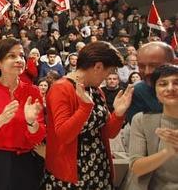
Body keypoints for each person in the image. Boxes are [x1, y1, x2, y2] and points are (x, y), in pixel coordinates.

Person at [43, 41, 134, 188]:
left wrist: (118, 113)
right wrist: (84, 108)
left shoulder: (96, 90)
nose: (107, 78)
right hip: (73, 176)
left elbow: (108, 133)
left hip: (99, 171)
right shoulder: (61, 89)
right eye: (108, 72)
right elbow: (64, 135)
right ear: (98, 67)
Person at [0, 38, 45, 190]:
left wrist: (32, 123)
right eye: (12, 56)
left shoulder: (33, 91)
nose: (19, 60)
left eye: (21, 56)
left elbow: (38, 137)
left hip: (24, 163)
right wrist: (1, 119)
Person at [126, 64, 178, 189]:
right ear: (155, 91)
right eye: (163, 84)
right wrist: (168, 151)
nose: (170, 88)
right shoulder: (141, 120)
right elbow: (137, 168)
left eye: (176, 83)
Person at [126, 41, 176, 123]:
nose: (147, 72)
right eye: (141, 66)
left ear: (174, 63)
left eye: (154, 66)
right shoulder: (137, 91)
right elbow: (140, 128)